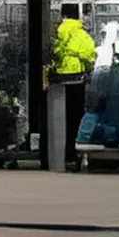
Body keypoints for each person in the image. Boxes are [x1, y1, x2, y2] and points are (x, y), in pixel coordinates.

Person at [50, 16, 97, 169]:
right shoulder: (81, 34)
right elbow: (90, 54)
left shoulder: (57, 33)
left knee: (57, 118)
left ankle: (58, 152)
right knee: (74, 117)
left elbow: (51, 51)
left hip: (58, 79)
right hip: (76, 79)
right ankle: (70, 152)